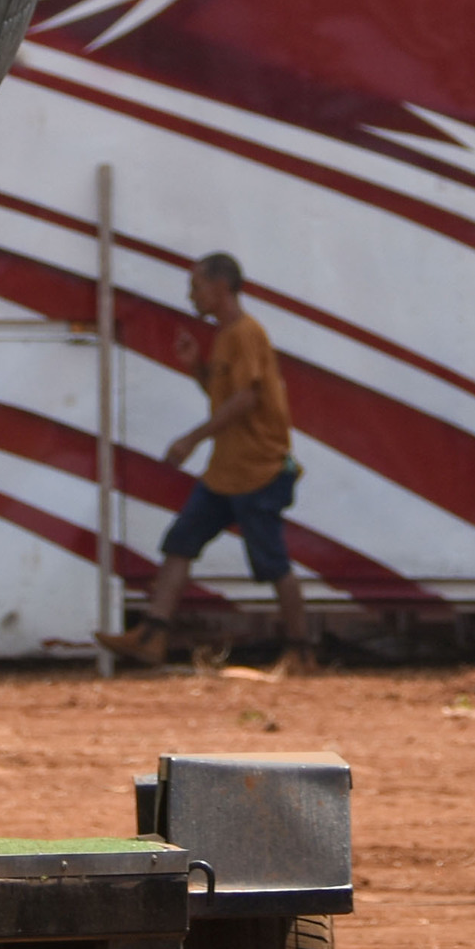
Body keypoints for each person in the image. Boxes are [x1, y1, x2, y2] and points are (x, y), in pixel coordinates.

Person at [102, 253, 312, 670]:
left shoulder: (245, 334)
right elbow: (226, 395)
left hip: (257, 470)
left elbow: (246, 399)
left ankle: (301, 651)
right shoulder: (225, 336)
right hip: (226, 472)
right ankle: (152, 636)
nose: (191, 294)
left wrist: (191, 439)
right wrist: (197, 367)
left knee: (272, 563)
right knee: (180, 541)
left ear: (220, 288)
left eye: (196, 285)